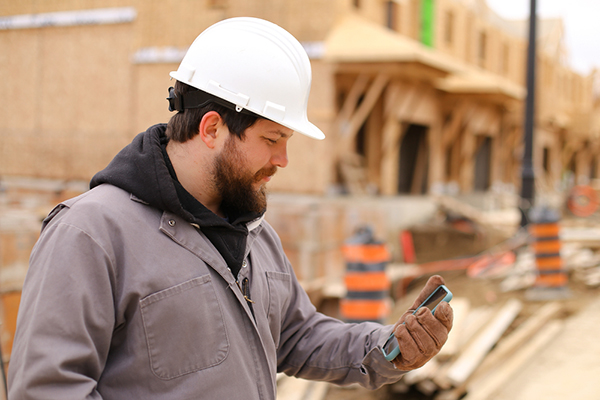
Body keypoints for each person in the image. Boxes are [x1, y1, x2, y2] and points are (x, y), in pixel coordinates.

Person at [8, 17, 453, 399]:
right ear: (212, 128)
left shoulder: (254, 234)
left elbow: (298, 336)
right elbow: (48, 389)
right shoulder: (91, 235)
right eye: (272, 140)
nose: (282, 161)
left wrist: (388, 347)